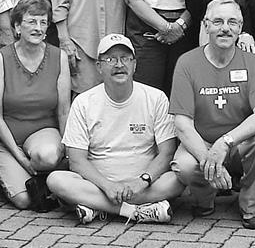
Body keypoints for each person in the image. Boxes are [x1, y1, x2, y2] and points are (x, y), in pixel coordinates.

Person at [47, 33, 181, 224]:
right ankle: (135, 211)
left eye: (125, 58)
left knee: (178, 178)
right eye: (110, 59)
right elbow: (76, 161)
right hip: (98, 185)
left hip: (144, 184)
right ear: (99, 66)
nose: (119, 65)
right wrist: (107, 186)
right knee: (56, 180)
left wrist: (143, 180)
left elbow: (167, 153)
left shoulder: (156, 98)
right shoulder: (84, 102)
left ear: (135, 64)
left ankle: (96, 206)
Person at [170, 0, 255, 229]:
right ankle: (205, 198)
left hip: (239, 143)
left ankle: (251, 206)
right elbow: (182, 125)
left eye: (232, 22)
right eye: (218, 21)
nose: (225, 28)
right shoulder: (187, 63)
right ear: (205, 25)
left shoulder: (253, 62)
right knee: (184, 165)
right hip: (203, 143)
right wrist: (209, 159)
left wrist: (226, 142)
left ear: (240, 28)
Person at [0, 0, 71, 209]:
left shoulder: (59, 57)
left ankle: (33, 167)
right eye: (31, 21)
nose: (38, 28)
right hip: (4, 136)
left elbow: (63, 110)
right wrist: (21, 158)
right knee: (24, 200)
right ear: (17, 27)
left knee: (48, 157)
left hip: (42, 132)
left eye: (43, 22)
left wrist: (68, 150)